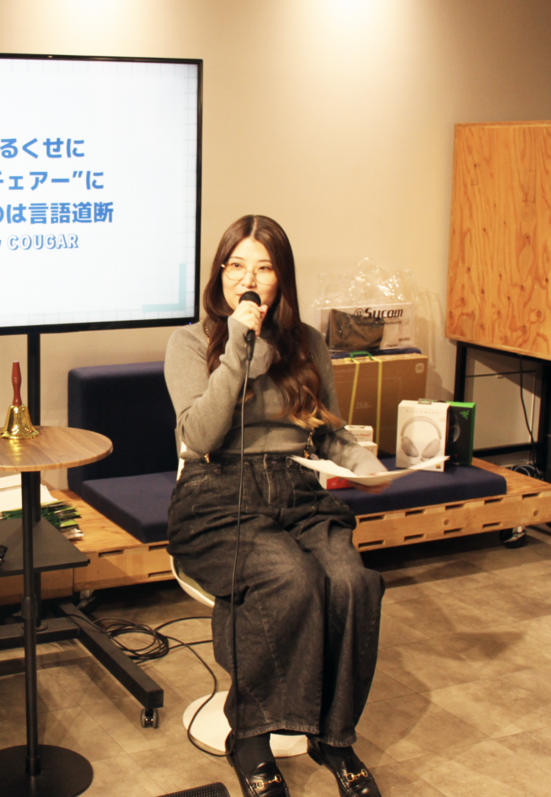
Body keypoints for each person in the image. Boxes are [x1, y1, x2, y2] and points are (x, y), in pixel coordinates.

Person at [165, 216, 386, 797]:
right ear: (220, 273)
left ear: (281, 278)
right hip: (218, 491)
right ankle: (251, 737)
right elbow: (200, 436)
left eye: (263, 268)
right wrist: (238, 347)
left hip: (297, 487)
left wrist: (363, 464)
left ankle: (334, 736)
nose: (248, 279)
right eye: (236, 265)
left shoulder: (307, 342)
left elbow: (329, 431)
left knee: (352, 582)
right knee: (289, 578)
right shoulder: (191, 342)